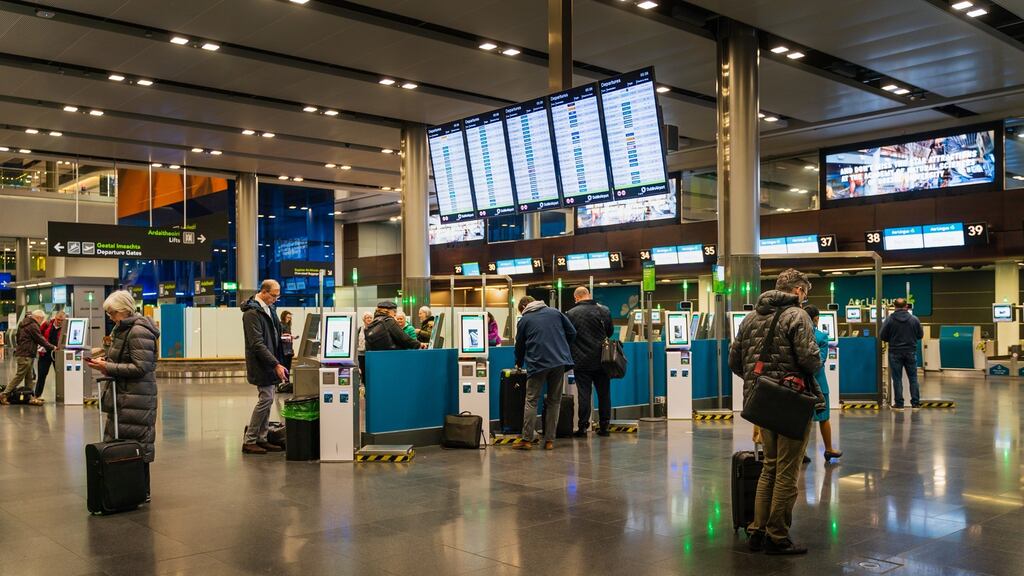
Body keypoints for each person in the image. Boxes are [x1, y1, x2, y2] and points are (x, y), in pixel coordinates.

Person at [729, 268, 823, 555]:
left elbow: (735, 361)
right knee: (787, 469)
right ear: (798, 291)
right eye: (805, 293)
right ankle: (777, 535)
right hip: (791, 400)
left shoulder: (750, 317)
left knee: (769, 465)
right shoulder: (798, 315)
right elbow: (809, 359)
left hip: (762, 400)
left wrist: (762, 381)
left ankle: (756, 530)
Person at [85, 291, 160, 500]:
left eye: (112, 313)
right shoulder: (123, 328)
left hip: (137, 396)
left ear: (125, 310)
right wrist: (103, 361)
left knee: (137, 444)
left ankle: (141, 490)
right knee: (125, 442)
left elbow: (140, 367)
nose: (110, 317)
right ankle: (127, 488)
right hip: (126, 395)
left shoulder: (137, 331)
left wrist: (107, 366)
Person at [513, 296, 576, 451]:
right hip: (559, 362)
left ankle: (527, 440)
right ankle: (549, 441)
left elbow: (520, 345)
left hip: (537, 363)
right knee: (554, 401)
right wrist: (561, 348)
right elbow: (572, 332)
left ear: (524, 306)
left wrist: (519, 363)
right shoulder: (555, 312)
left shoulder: (524, 320)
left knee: (531, 400)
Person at [240, 280, 288, 455]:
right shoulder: (252, 313)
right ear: (264, 292)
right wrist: (275, 364)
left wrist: (283, 338)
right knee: (266, 399)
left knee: (268, 399)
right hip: (262, 363)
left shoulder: (268, 309)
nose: (275, 299)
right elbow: (257, 344)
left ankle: (262, 437)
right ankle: (250, 440)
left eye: (278, 295)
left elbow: (273, 333)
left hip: (270, 360)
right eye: (274, 295)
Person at [566, 287, 613, 437]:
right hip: (602, 359)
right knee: (604, 393)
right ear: (589, 295)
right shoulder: (604, 310)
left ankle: (583, 427)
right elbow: (610, 332)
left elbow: (568, 335)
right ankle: (605, 426)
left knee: (584, 394)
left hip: (581, 360)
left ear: (576, 298)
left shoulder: (571, 314)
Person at [803, 305, 842, 462]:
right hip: (818, 383)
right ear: (816, 318)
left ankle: (801, 453)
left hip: (800, 384)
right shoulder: (821, 337)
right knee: (824, 417)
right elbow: (821, 360)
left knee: (802, 420)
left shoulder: (796, 335)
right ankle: (828, 449)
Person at [2, 310, 55, 405]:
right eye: (42, 319)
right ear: (38, 317)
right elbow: (40, 339)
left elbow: (18, 337)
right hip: (26, 355)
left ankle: (29, 396)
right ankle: (4, 394)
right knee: (19, 376)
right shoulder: (33, 325)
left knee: (29, 377)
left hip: (26, 353)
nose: (42, 321)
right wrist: (53, 347)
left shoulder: (23, 323)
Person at [880, 297, 924, 410]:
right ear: (906, 306)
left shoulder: (889, 320)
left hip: (895, 352)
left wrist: (892, 339)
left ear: (894, 307)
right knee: (913, 378)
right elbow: (920, 335)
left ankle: (899, 404)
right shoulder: (914, 319)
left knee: (897, 378)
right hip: (911, 352)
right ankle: (915, 403)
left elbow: (882, 336)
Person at [34, 309, 66, 402]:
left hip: (58, 354)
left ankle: (63, 395)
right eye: (57, 319)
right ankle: (37, 395)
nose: (59, 321)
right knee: (41, 375)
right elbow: (38, 334)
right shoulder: (47, 324)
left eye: (61, 320)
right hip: (45, 353)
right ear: (55, 317)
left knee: (60, 375)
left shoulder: (66, 327)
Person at [357, 312, 371, 379]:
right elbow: (356, 340)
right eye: (367, 317)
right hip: (360, 354)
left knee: (369, 371)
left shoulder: (374, 328)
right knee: (362, 371)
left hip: (369, 353)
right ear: (364, 319)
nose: (369, 319)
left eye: (370, 317)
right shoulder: (360, 329)